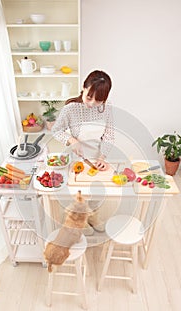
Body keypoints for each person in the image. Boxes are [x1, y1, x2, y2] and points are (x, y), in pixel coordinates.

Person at [52, 70, 115, 234]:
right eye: (89, 97)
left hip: (97, 157)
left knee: (98, 191)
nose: (93, 103)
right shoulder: (71, 109)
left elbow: (108, 135)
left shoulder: (107, 109)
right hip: (76, 157)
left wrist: (102, 157)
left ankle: (93, 216)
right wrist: (72, 141)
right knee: (80, 192)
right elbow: (56, 130)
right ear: (83, 88)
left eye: (99, 100)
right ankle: (81, 219)